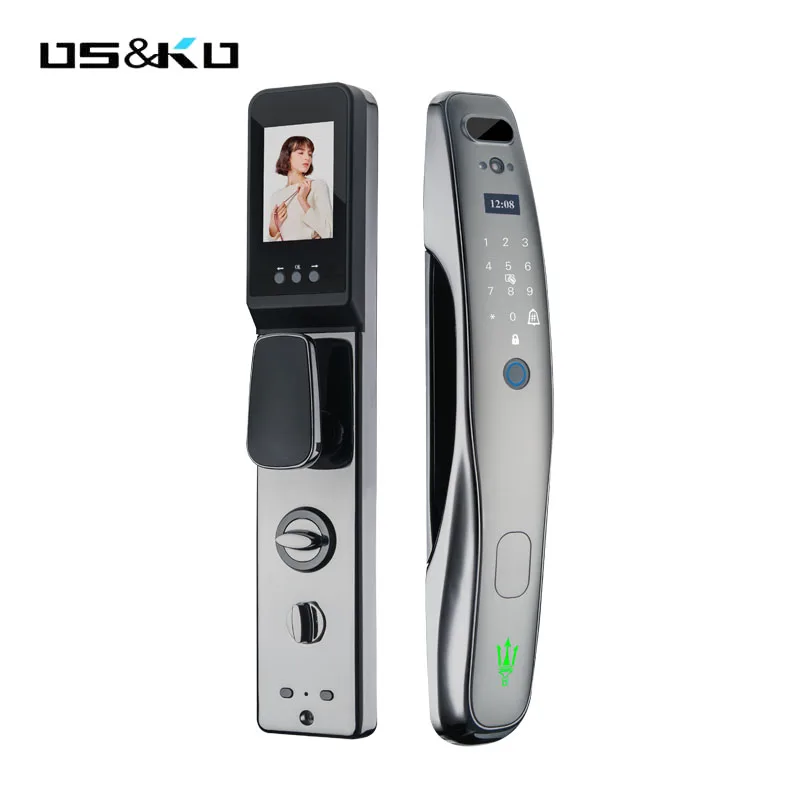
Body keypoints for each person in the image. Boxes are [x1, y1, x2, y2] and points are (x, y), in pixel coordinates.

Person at [266, 136, 333, 241]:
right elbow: (270, 244)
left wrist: (302, 200)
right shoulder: (276, 196)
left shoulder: (317, 186)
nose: (307, 158)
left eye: (310, 154)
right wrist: (273, 226)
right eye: (301, 153)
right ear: (287, 156)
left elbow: (328, 232)